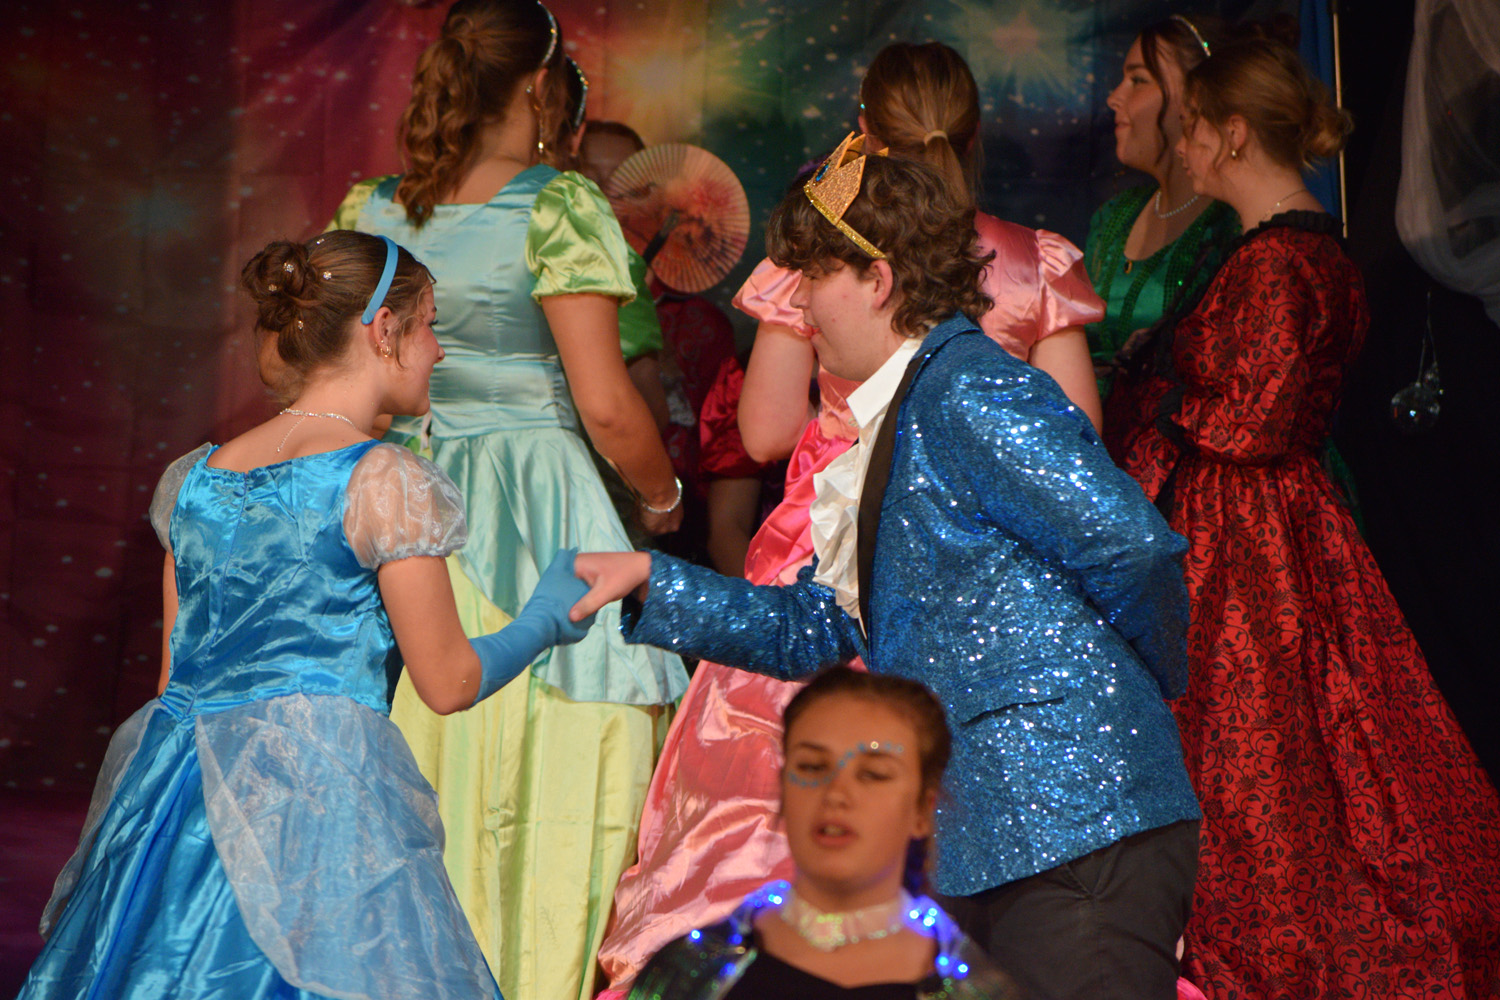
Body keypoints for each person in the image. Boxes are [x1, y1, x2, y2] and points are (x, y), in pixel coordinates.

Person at [576, 147, 1201, 1000]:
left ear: (878, 280)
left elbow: (1134, 546)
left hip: (1077, 823)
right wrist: (654, 581)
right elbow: (816, 627)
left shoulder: (966, 388)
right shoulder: (897, 415)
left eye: (812, 277)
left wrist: (1142, 694)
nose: (799, 304)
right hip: (995, 836)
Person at [17, 232, 594, 1000]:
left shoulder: (195, 481)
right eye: (430, 326)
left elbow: (174, 681)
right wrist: (547, 618)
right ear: (383, 330)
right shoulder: (382, 480)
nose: (439, 351)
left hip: (180, 798)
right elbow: (450, 681)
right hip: (315, 805)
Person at [1117, 35, 1500, 998]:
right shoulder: (1291, 250)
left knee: (1264, 755)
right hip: (1275, 525)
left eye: (1193, 128)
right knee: (1306, 746)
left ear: (1233, 134)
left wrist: (1160, 401)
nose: (1183, 147)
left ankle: (1268, 950)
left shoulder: (1282, 262)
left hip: (1245, 541)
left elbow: (1251, 420)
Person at [326, 4, 688, 999]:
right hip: (539, 499)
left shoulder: (369, 209)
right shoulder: (558, 205)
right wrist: (661, 496)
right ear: (540, 85)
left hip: (398, 502)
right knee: (559, 764)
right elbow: (606, 403)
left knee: (422, 745)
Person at [628, 667, 1019, 1000]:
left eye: (873, 774)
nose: (836, 794)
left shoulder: (976, 990)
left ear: (922, 810)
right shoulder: (693, 971)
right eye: (813, 767)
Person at [1086, 15, 1238, 439]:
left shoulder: (1231, 227)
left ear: (1196, 96)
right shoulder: (1113, 219)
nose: (1114, 98)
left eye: (1138, 80)